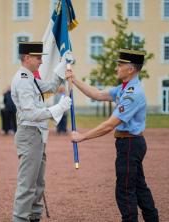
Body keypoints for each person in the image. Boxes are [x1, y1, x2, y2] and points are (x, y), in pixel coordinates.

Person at [68, 49, 159, 222]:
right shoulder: (124, 88)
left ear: (131, 69)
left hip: (130, 144)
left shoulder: (133, 94)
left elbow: (110, 124)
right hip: (130, 144)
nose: (116, 68)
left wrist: (82, 137)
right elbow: (97, 94)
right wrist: (74, 79)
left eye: (120, 65)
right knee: (139, 188)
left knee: (124, 191)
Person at [11, 41, 71, 222]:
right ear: (27, 57)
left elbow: (51, 87)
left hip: (35, 135)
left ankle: (34, 216)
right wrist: (56, 110)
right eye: (38, 58)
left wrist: (62, 66)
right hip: (29, 134)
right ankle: (21, 218)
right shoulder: (22, 80)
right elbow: (30, 112)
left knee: (38, 183)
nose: (41, 62)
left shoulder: (29, 77)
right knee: (27, 184)